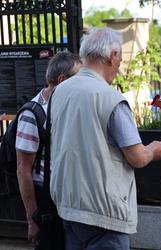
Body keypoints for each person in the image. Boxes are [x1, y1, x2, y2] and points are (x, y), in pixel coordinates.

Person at [49, 27, 161, 250]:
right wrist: (154, 149)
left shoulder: (60, 91)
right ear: (113, 57)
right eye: (120, 58)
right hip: (104, 213)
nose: (120, 64)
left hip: (68, 204)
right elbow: (138, 158)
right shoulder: (110, 98)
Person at [16, 51, 81, 249]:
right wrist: (32, 219)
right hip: (46, 201)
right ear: (62, 80)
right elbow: (23, 169)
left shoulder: (68, 106)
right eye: (78, 80)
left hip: (68, 198)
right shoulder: (32, 114)